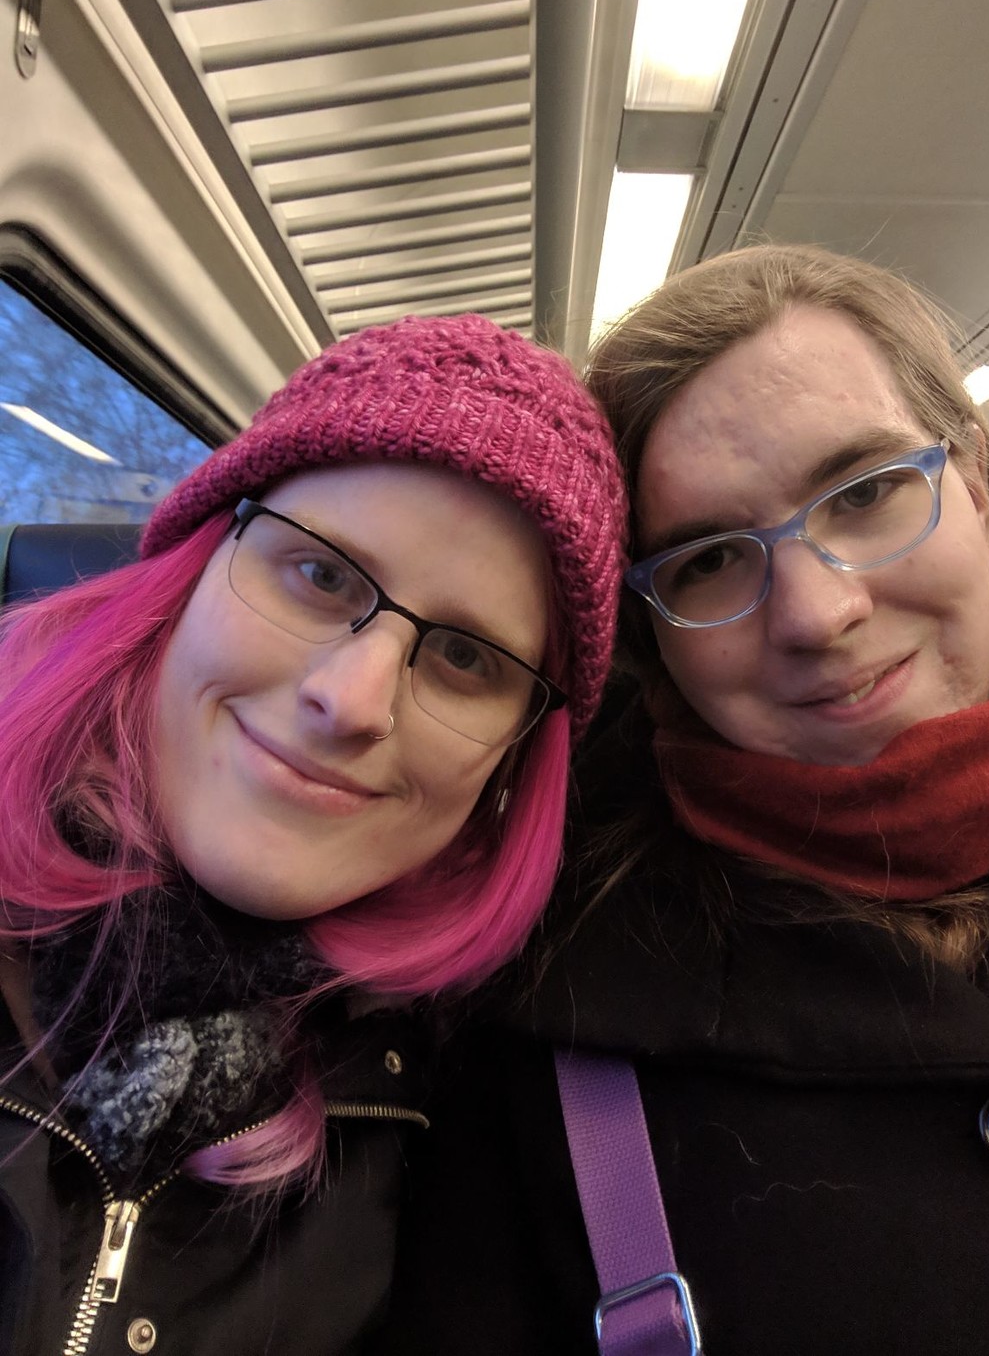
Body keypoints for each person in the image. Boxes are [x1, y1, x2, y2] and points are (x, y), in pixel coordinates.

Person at [379, 246, 989, 1354]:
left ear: (975, 481)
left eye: (863, 493)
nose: (816, 612)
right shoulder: (546, 1015)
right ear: (649, 638)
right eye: (710, 562)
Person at [0, 313, 627, 1356]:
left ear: (515, 761)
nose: (351, 698)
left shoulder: (465, 1117)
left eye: (467, 658)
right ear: (194, 563)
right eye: (321, 575)